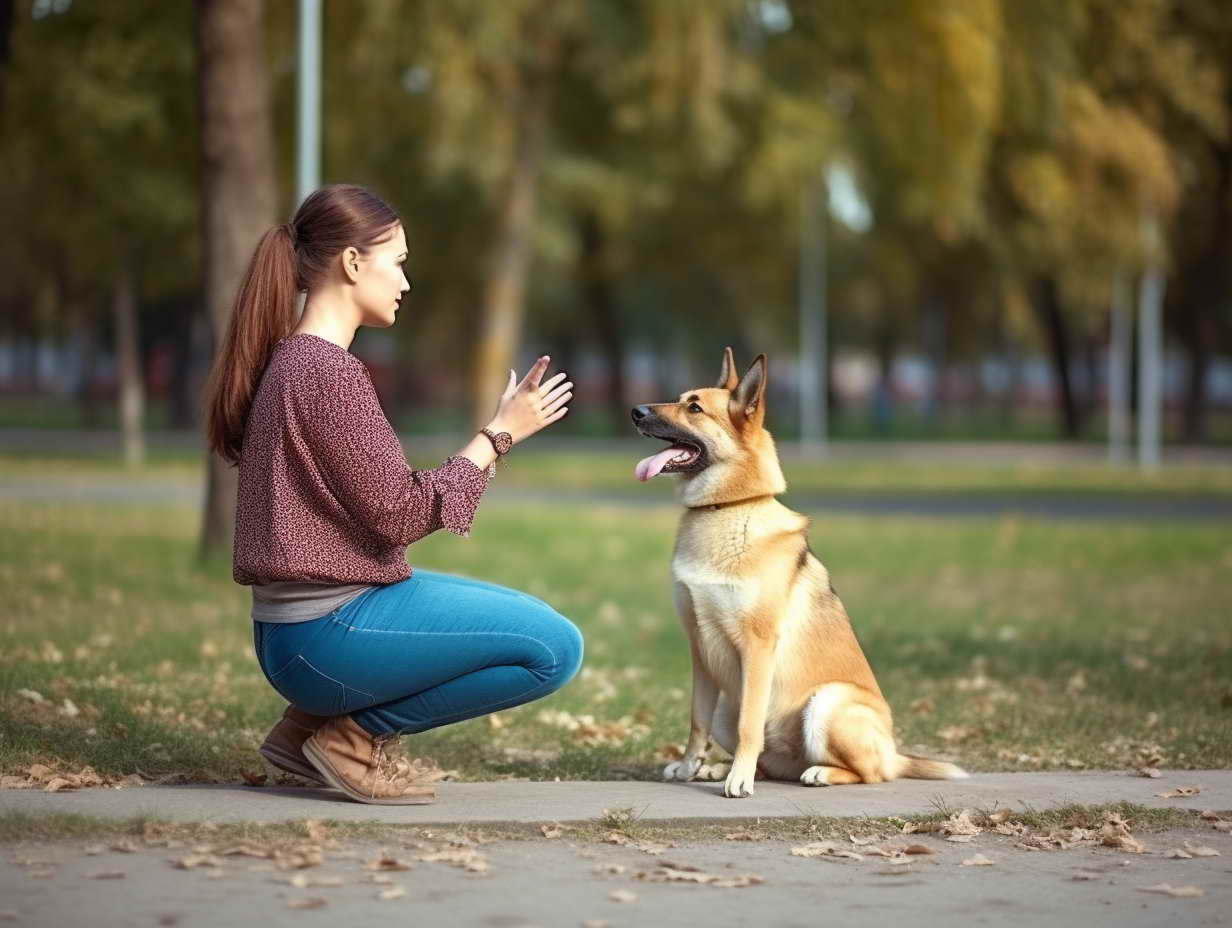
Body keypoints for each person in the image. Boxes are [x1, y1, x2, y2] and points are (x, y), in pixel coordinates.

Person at [204, 184, 584, 805]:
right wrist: (499, 435)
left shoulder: (292, 361)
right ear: (353, 263)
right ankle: (350, 739)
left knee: (533, 616)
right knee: (554, 649)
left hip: (300, 633)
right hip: (323, 636)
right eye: (398, 261)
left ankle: (303, 731)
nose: (406, 282)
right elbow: (401, 514)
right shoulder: (325, 372)